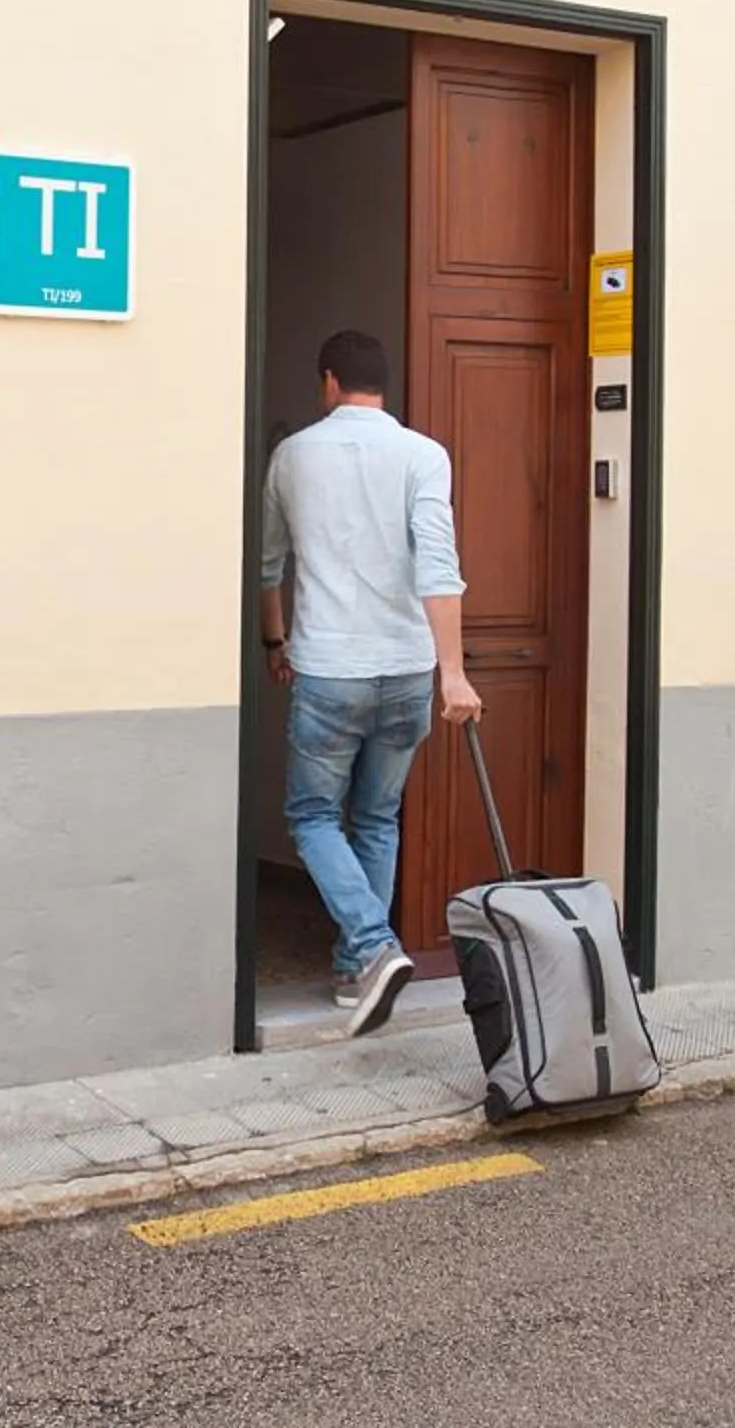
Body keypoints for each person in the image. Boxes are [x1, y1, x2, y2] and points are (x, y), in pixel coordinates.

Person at [258, 330, 482, 1038]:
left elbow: (269, 565)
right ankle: (359, 972)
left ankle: (373, 945)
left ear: (329, 382)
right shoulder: (423, 455)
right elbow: (438, 568)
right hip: (409, 668)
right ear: (383, 386)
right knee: (377, 818)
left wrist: (275, 639)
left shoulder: (292, 456)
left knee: (313, 816)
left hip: (328, 666)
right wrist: (454, 675)